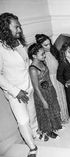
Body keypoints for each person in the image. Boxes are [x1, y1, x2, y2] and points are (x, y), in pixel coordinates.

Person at [0, 12, 38, 157]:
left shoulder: (19, 43)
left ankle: (35, 132)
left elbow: (26, 65)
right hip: (15, 93)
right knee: (23, 120)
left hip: (29, 86)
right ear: (5, 28)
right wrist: (16, 92)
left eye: (20, 27)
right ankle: (32, 147)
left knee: (32, 113)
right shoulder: (0, 49)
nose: (20, 30)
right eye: (16, 27)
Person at [28, 43, 62, 140]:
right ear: (34, 56)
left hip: (49, 90)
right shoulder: (33, 69)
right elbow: (36, 88)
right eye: (42, 54)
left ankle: (54, 126)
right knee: (45, 113)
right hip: (41, 94)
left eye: (44, 53)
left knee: (52, 109)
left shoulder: (42, 62)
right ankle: (48, 131)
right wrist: (43, 101)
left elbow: (47, 77)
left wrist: (53, 89)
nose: (44, 55)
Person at [35, 34, 69, 124]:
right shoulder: (41, 56)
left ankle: (63, 116)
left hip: (58, 78)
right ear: (40, 46)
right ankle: (57, 120)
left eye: (49, 44)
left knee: (61, 97)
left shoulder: (53, 51)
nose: (49, 46)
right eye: (45, 45)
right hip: (50, 79)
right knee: (54, 99)